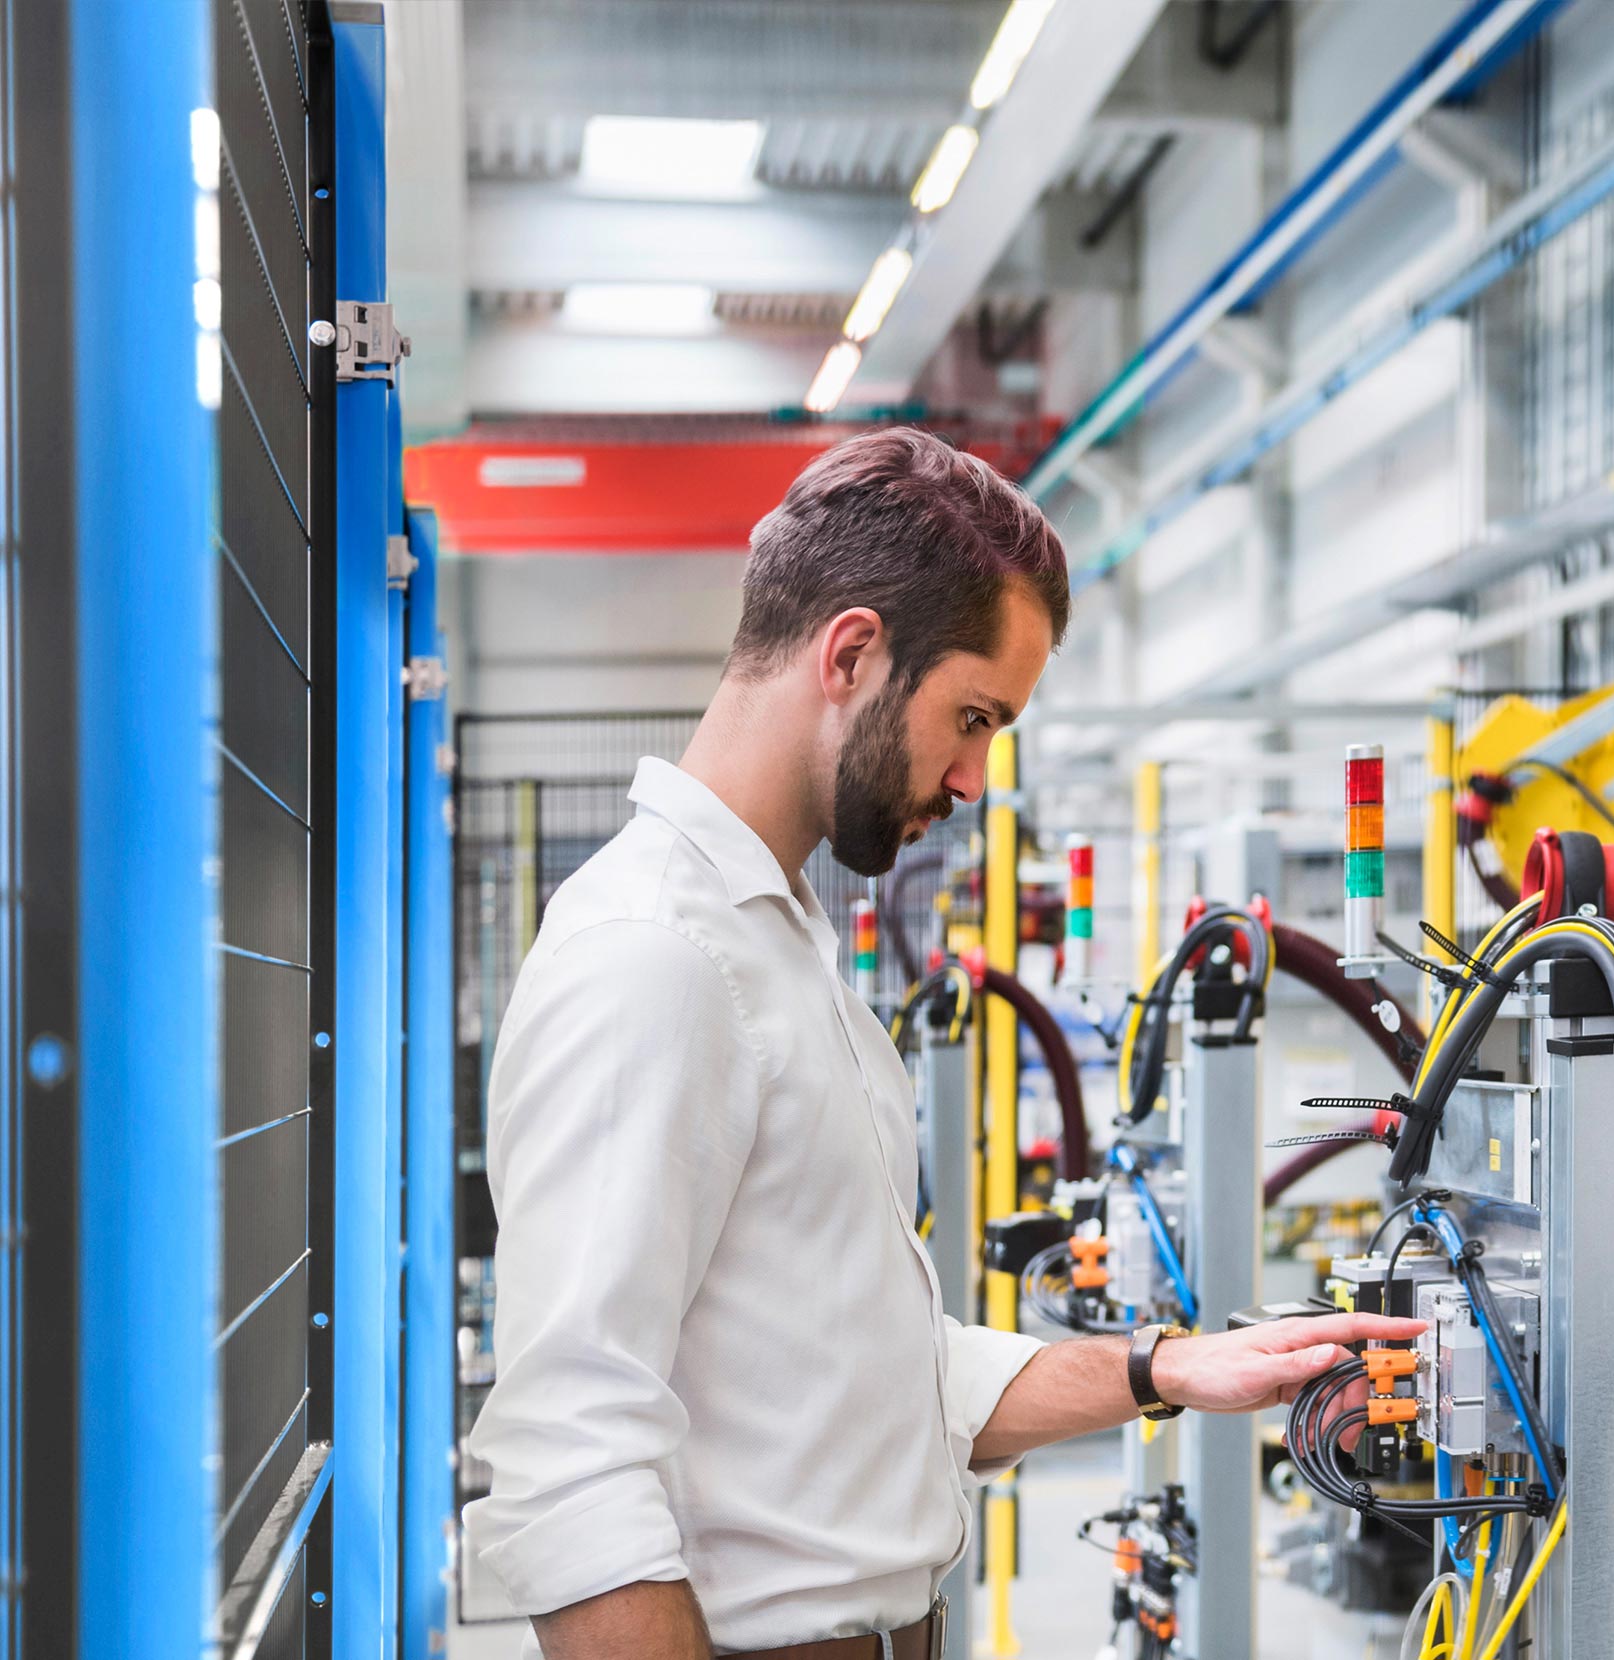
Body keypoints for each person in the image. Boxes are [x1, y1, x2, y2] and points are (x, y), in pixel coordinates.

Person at [465, 429, 1421, 1659]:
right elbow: (568, 1461)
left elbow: (892, 1377)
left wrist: (1172, 1366)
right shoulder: (656, 952)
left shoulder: (785, 941)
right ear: (852, 653)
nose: (973, 777)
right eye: (970, 716)